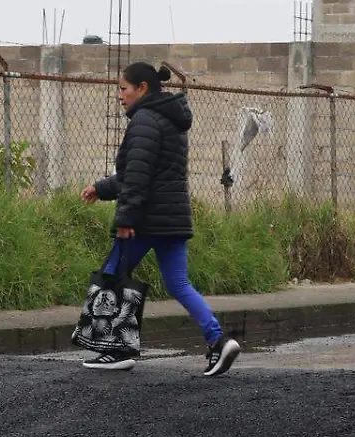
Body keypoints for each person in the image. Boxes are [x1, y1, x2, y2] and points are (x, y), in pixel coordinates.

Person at [81, 62, 241, 377]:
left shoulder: (144, 120)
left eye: (123, 89)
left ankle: (117, 350)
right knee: (179, 284)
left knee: (113, 274)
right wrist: (102, 188)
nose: (120, 96)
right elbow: (141, 174)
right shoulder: (170, 119)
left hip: (145, 219)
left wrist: (126, 218)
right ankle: (219, 341)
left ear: (142, 88)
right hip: (173, 218)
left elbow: (137, 176)